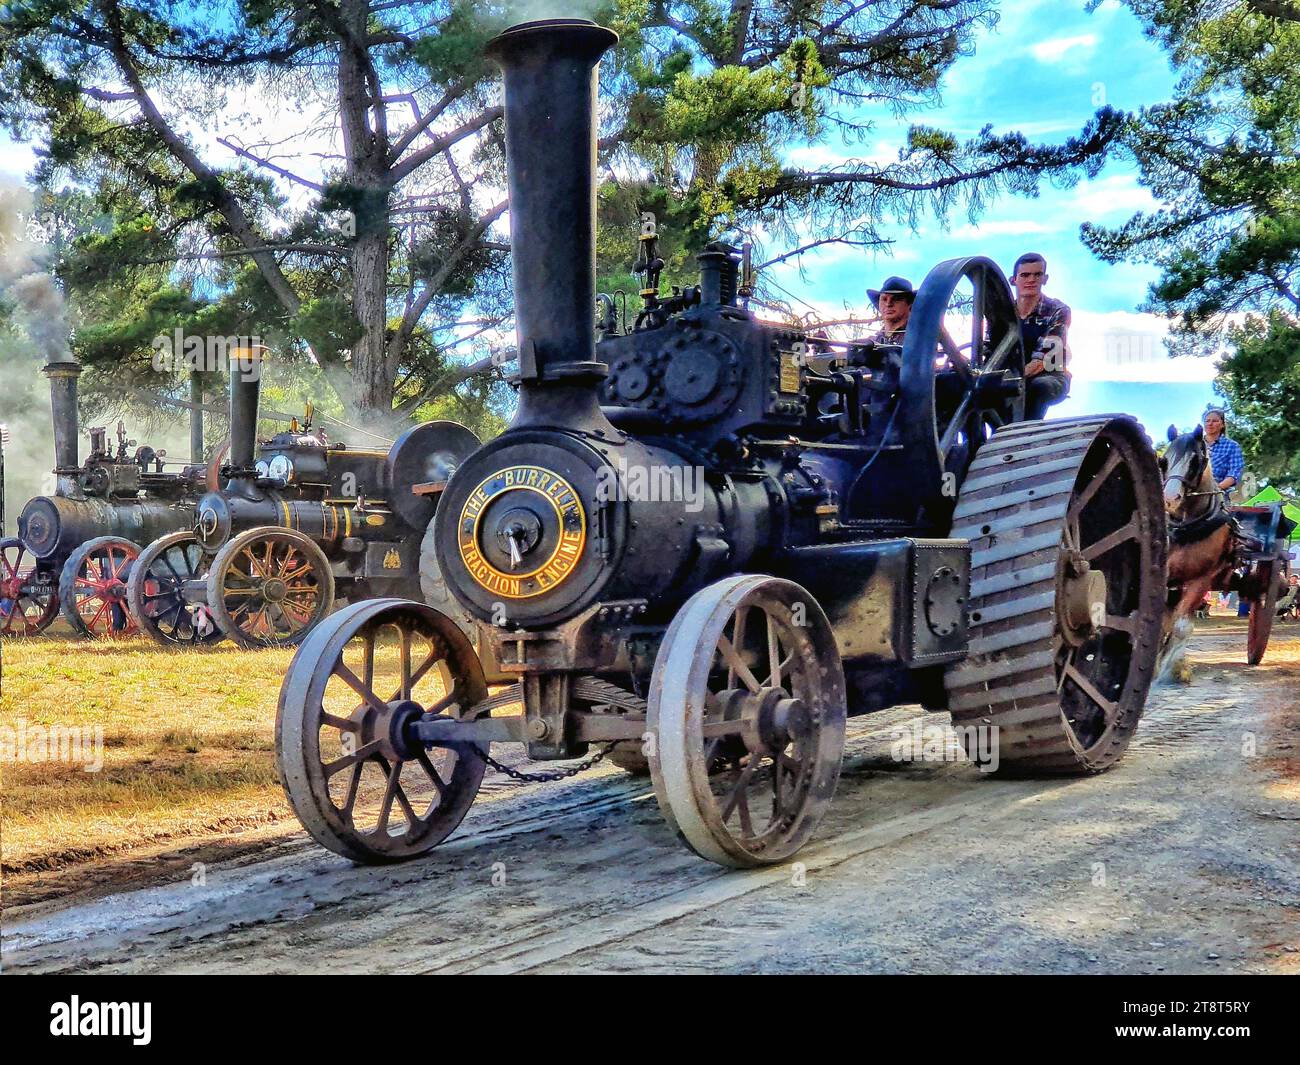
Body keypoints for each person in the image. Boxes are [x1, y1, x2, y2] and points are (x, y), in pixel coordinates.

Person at [1011, 253, 1071, 419]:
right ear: (1013, 280)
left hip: (1050, 375)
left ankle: (1027, 436)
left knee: (1039, 386)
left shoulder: (1058, 310)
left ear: (1045, 279)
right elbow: (987, 348)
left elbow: (1043, 360)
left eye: (1037, 274)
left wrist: (1008, 378)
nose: (1031, 279)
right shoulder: (1003, 314)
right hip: (1010, 375)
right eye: (1025, 275)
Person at [1202, 408, 1245, 499]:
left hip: (1220, 492)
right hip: (1191, 491)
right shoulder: (1194, 444)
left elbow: (1234, 473)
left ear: (1222, 425)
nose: (1210, 423)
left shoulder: (1232, 446)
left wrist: (1216, 489)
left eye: (1215, 421)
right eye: (1207, 421)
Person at [867, 276, 914, 343]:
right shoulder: (871, 342)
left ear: (910, 303)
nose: (888, 304)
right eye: (884, 299)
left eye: (896, 299)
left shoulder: (923, 339)